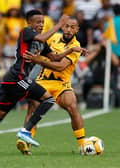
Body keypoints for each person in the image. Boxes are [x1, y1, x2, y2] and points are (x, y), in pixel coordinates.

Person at [0, 9, 79, 155]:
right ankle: (26, 131)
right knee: (48, 100)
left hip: (14, 81)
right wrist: (59, 24)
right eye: (38, 22)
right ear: (29, 23)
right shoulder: (26, 32)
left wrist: (70, 50)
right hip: (17, 78)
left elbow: (55, 58)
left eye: (43, 23)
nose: (41, 25)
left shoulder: (42, 42)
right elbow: (41, 38)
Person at [16, 16, 88, 155]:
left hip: (61, 84)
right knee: (33, 107)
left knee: (72, 105)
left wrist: (39, 60)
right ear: (62, 27)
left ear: (77, 29)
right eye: (66, 26)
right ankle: (25, 143)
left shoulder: (76, 47)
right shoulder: (52, 37)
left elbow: (60, 67)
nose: (68, 30)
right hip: (42, 81)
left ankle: (82, 144)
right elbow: (40, 43)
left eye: (72, 27)